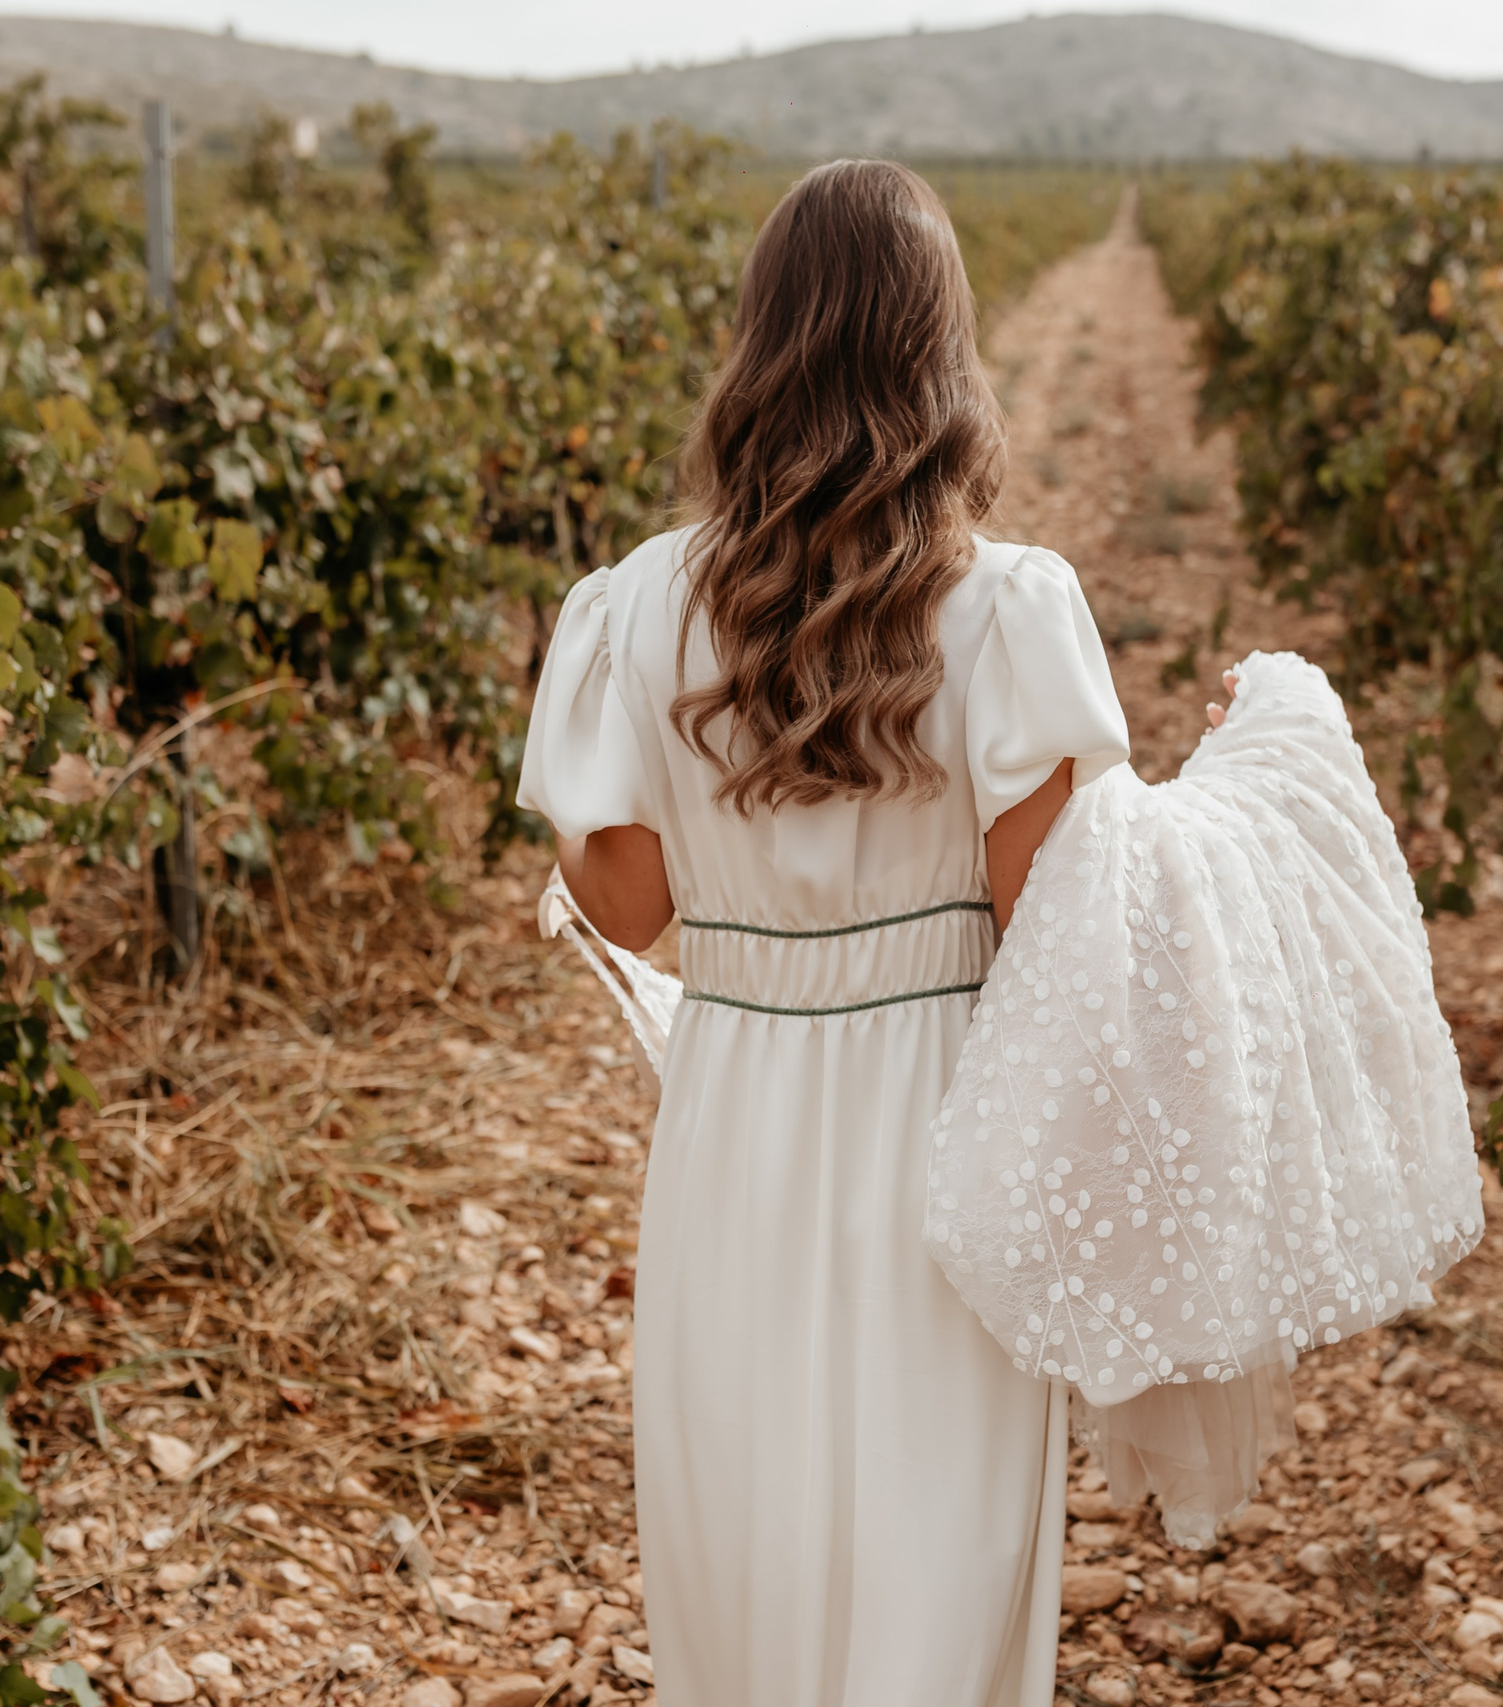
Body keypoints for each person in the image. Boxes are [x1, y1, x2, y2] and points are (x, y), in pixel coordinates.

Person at [517, 158, 1117, 1707]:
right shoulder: (1007, 611)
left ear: (759, 344)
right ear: (941, 351)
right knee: (940, 1536)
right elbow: (1043, 929)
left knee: (747, 1531)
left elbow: (633, 907)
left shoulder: (638, 610)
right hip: (942, 1117)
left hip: (736, 1120)